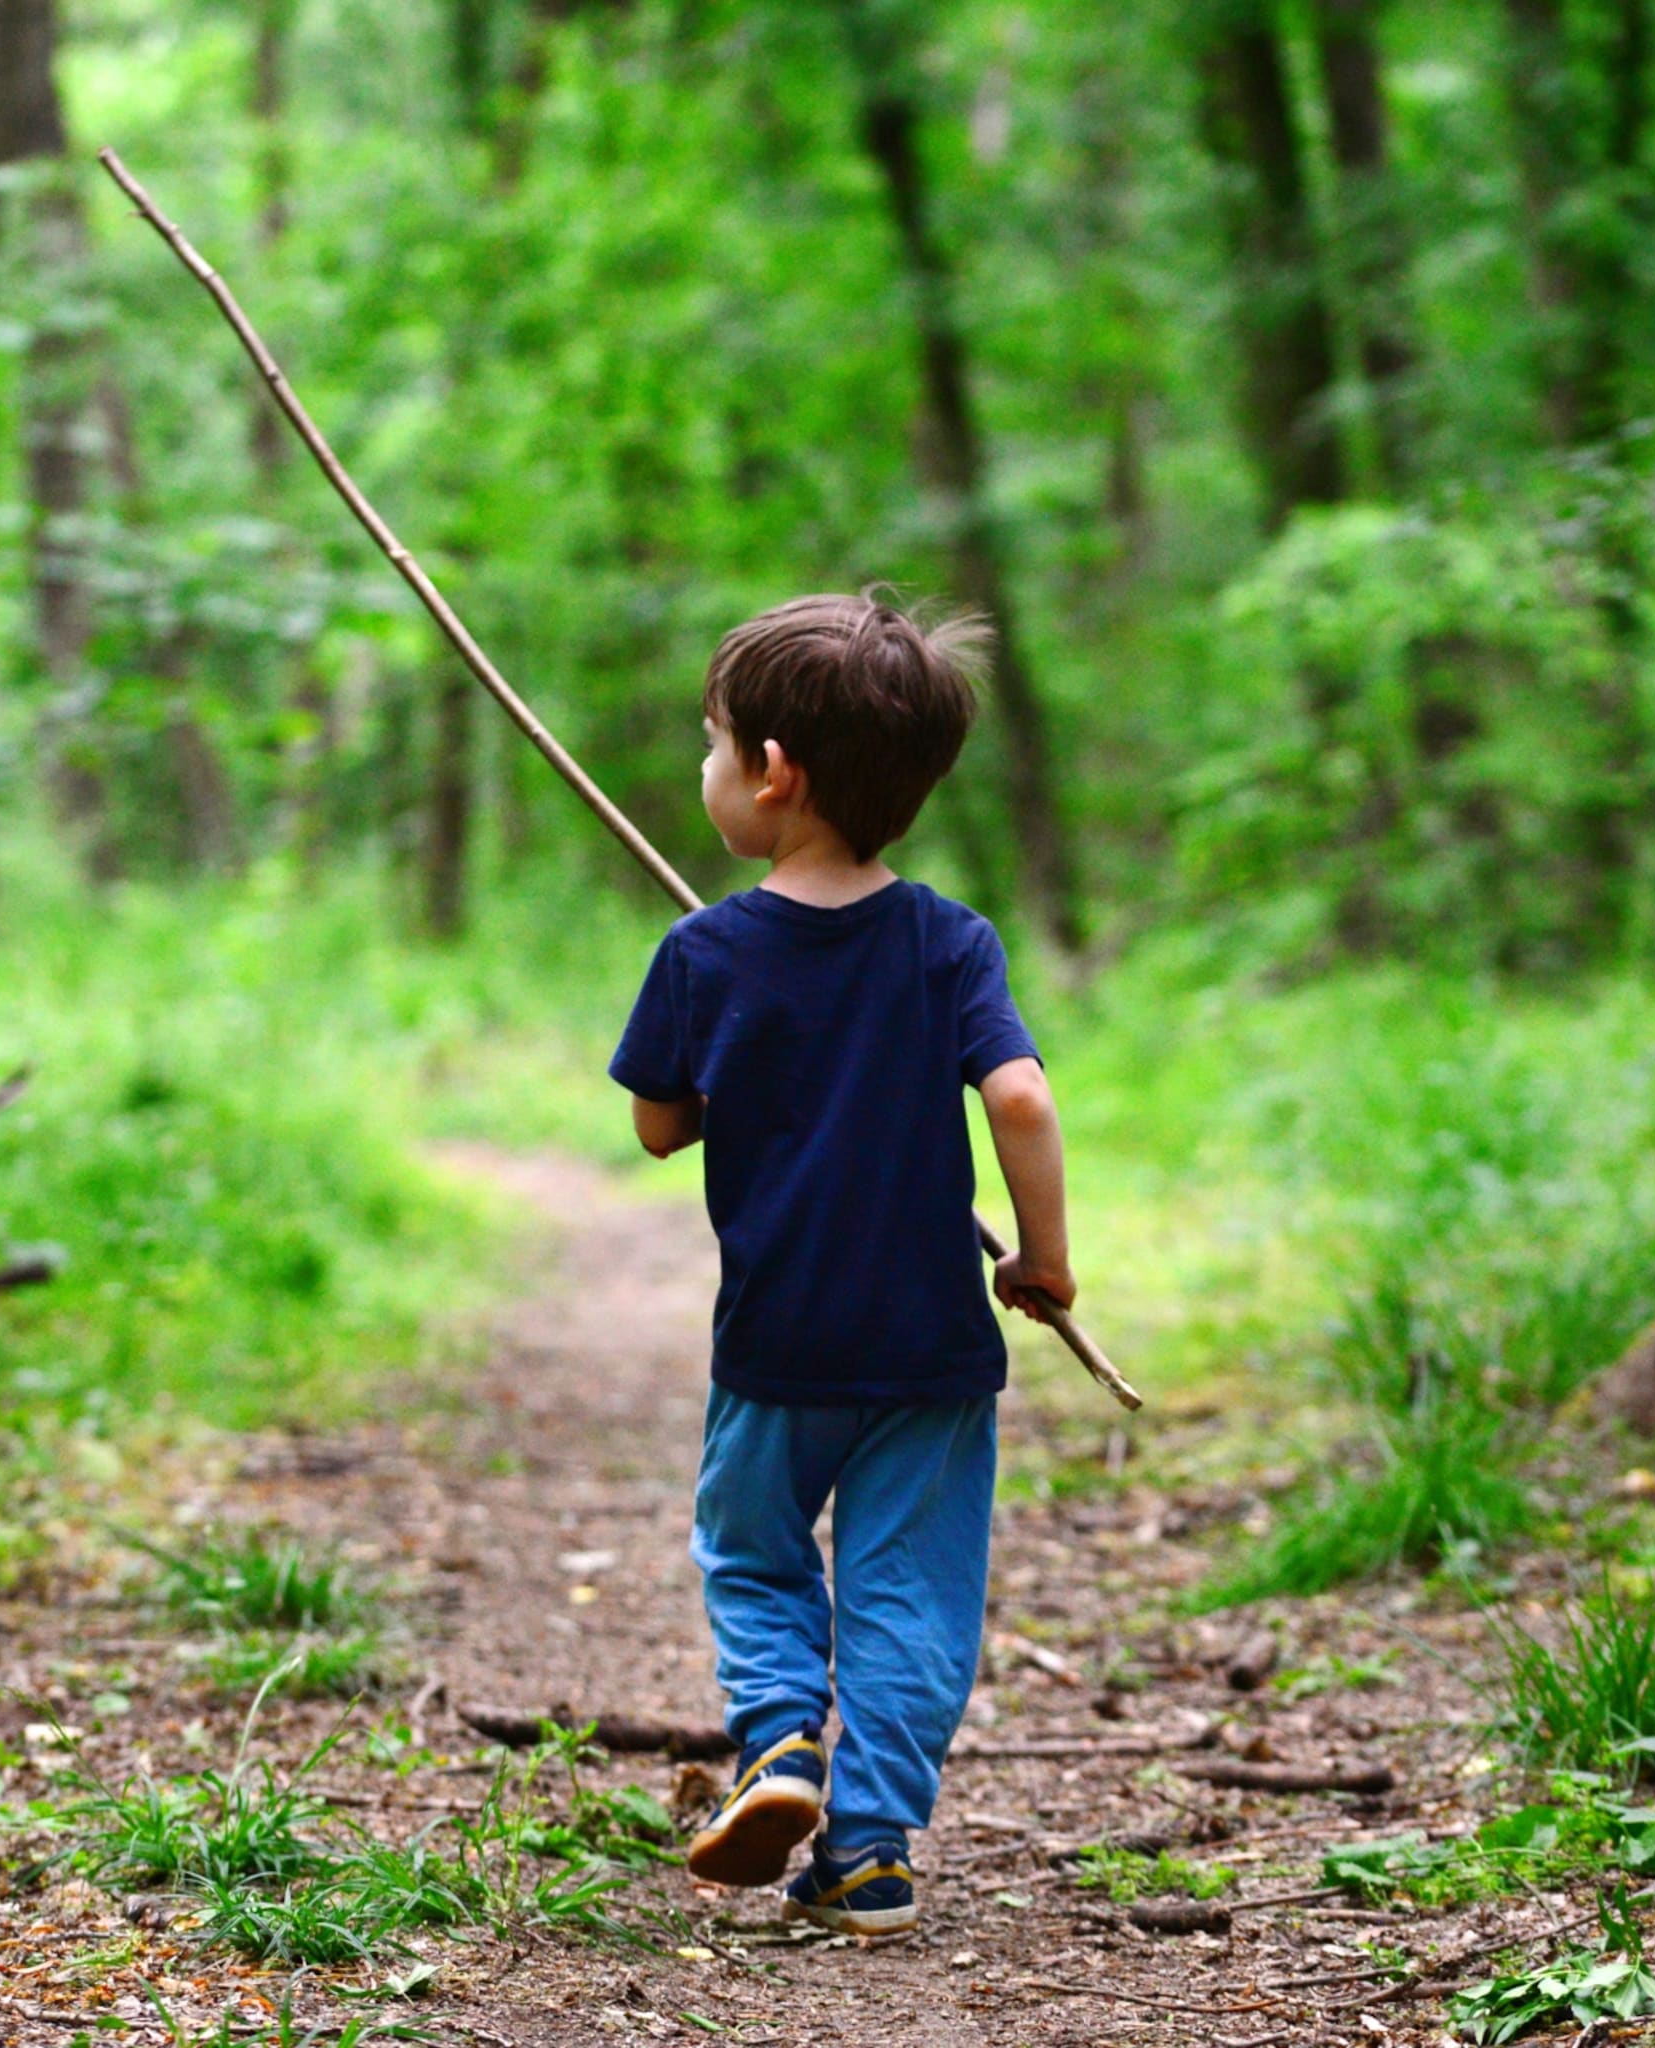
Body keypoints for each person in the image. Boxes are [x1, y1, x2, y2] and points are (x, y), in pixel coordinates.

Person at [608, 591, 1078, 1937]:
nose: (705, 772)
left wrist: (728, 1059)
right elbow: (1025, 1104)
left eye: (712, 746)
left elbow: (657, 1127)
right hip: (930, 1344)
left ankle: (778, 1746)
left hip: (778, 1344)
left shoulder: (703, 952)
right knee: (908, 1591)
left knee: (753, 1554)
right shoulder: (950, 942)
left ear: (770, 774)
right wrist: (1043, 1263)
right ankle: (867, 1849)